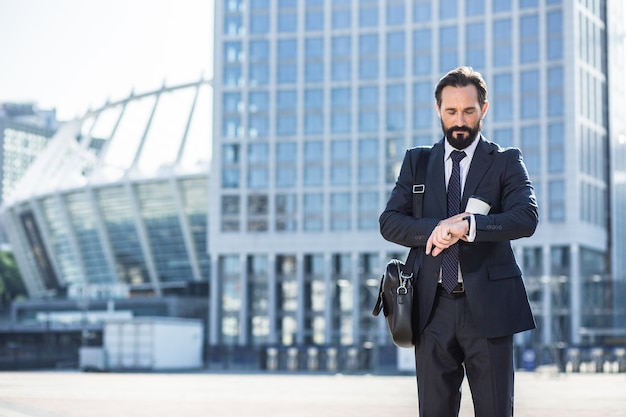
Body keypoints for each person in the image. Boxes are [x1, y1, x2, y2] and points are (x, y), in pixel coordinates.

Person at [379, 66, 539, 417]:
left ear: (484, 109)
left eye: (468, 111)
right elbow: (389, 222)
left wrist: (470, 225)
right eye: (451, 111)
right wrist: (434, 228)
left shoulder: (506, 161)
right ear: (438, 110)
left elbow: (526, 217)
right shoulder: (416, 162)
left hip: (489, 310)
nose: (459, 120)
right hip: (430, 309)